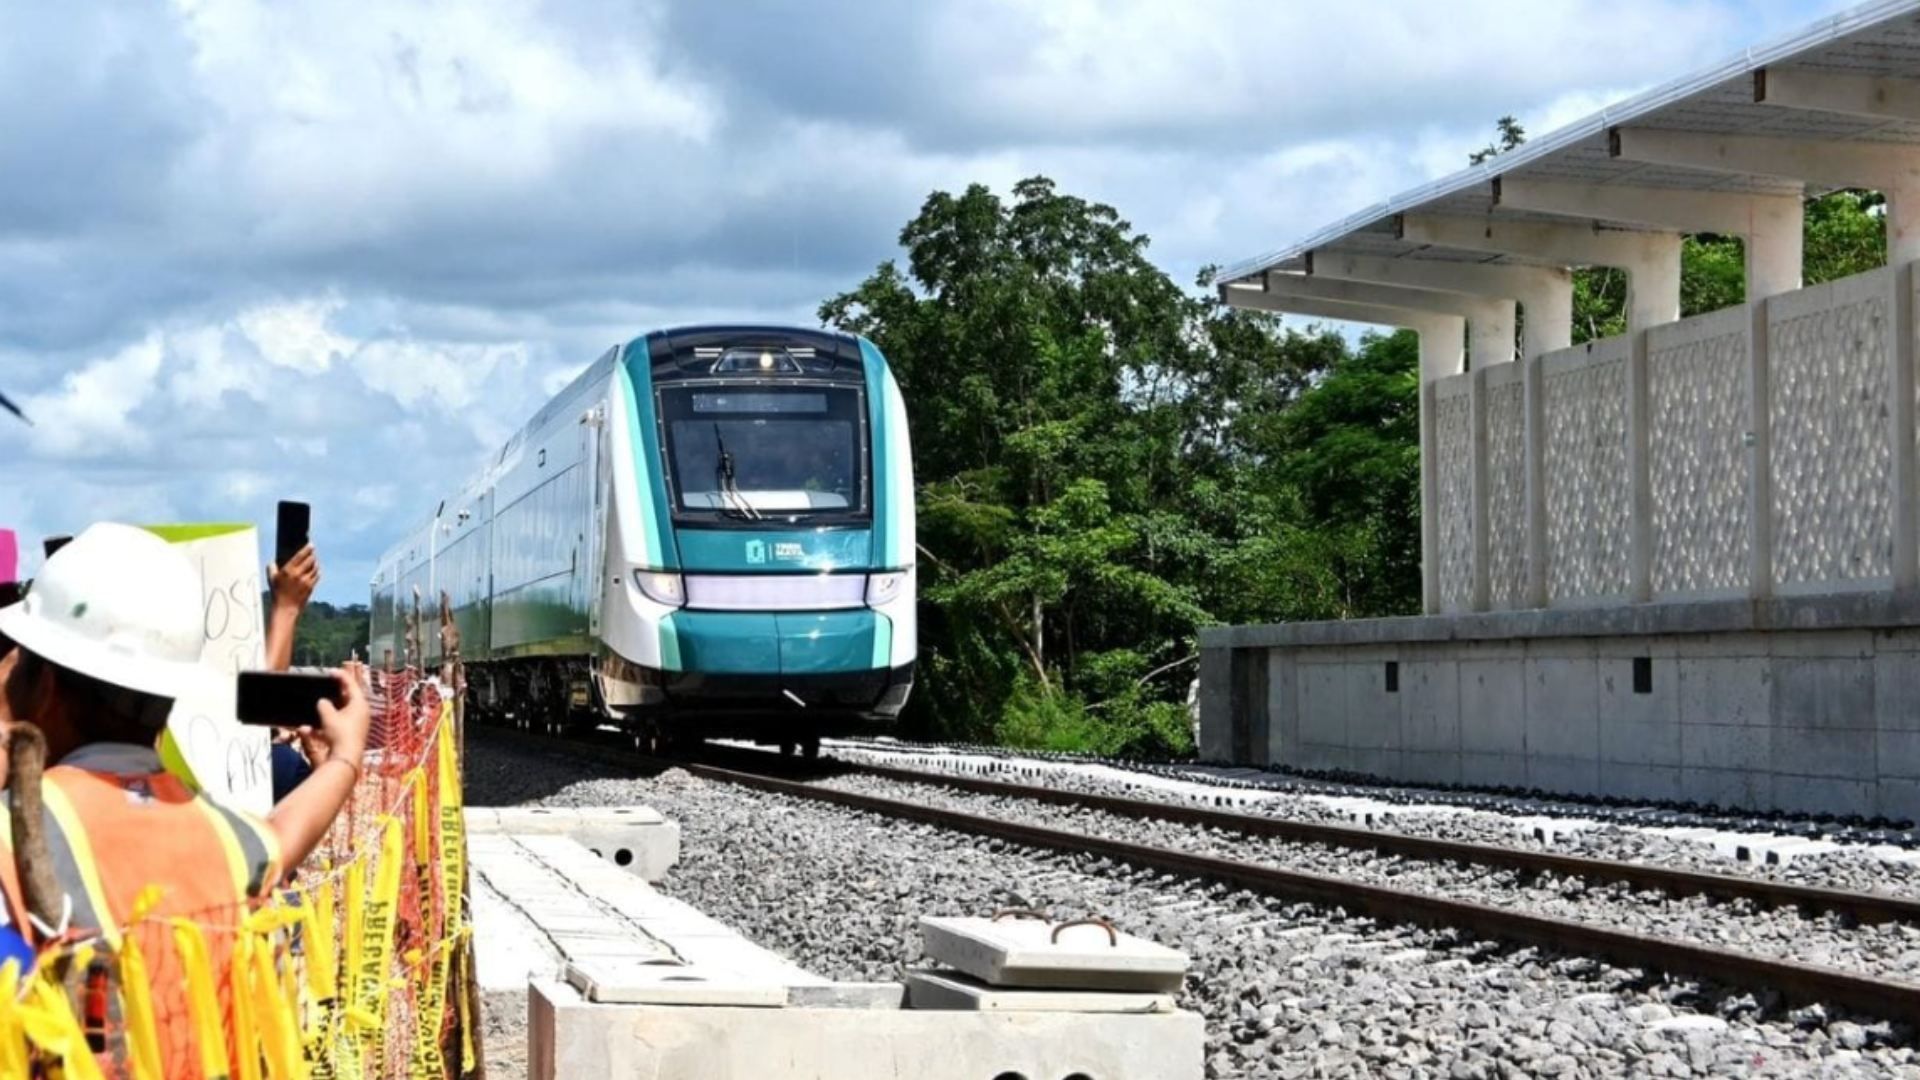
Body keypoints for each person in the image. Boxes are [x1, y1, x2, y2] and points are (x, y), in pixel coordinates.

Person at [0, 523, 368, 1076]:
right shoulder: (227, 840)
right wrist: (343, 760)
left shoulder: (15, 834)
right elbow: (281, 839)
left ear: (44, 685)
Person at [264, 543, 322, 799]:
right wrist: (330, 760)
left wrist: (285, 607)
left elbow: (256, 710)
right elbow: (309, 811)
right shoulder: (282, 769)